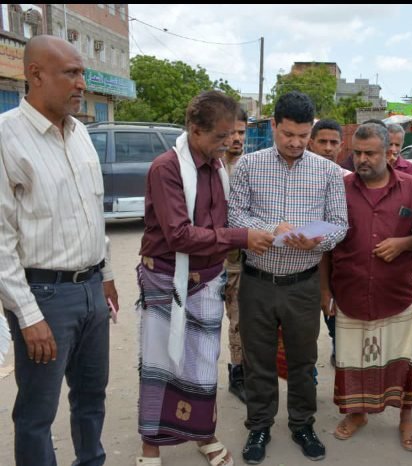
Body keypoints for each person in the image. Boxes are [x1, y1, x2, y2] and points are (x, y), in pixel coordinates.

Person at [135, 91, 274, 466]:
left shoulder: (216, 166)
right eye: (220, 136)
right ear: (195, 131)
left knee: (201, 364)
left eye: (232, 134)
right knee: (159, 365)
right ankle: (150, 447)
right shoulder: (167, 168)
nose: (229, 142)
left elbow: (223, 222)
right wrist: (243, 237)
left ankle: (203, 435)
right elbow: (179, 234)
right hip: (167, 279)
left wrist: (266, 230)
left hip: (208, 279)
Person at [0, 35, 119, 466]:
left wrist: (104, 274)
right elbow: (1, 241)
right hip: (44, 297)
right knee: (37, 412)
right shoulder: (6, 137)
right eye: (71, 72)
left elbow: (91, 211)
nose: (82, 83)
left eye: (83, 72)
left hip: (90, 291)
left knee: (91, 398)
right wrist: (28, 316)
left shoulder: (81, 134)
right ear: (35, 75)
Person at [228, 91, 348, 465]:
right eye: (288, 134)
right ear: (274, 126)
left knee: (302, 359)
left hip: (303, 283)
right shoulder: (249, 166)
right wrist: (269, 227)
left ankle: (302, 424)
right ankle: (259, 426)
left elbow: (341, 225)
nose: (296, 143)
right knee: (258, 359)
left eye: (303, 135)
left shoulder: (327, 171)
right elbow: (235, 217)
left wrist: (317, 239)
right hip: (258, 282)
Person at [321, 123, 412, 450]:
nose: (361, 159)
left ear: (389, 152)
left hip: (395, 294)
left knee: (401, 358)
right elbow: (327, 243)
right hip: (350, 292)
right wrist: (324, 291)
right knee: (350, 358)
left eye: (369, 153)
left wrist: (403, 243)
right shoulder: (340, 188)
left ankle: (405, 416)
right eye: (356, 152)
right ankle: (356, 413)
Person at [308, 118, 348, 367]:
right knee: (302, 334)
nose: (328, 147)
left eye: (334, 142)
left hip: (337, 269)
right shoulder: (298, 177)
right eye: (322, 141)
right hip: (300, 267)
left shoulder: (349, 181)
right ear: (311, 143)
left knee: (338, 328)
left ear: (341, 146)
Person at [223, 107, 250, 403]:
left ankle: (238, 374)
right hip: (207, 262)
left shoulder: (251, 167)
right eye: (231, 132)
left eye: (241, 132)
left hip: (239, 262)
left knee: (239, 322)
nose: (236, 138)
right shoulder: (204, 167)